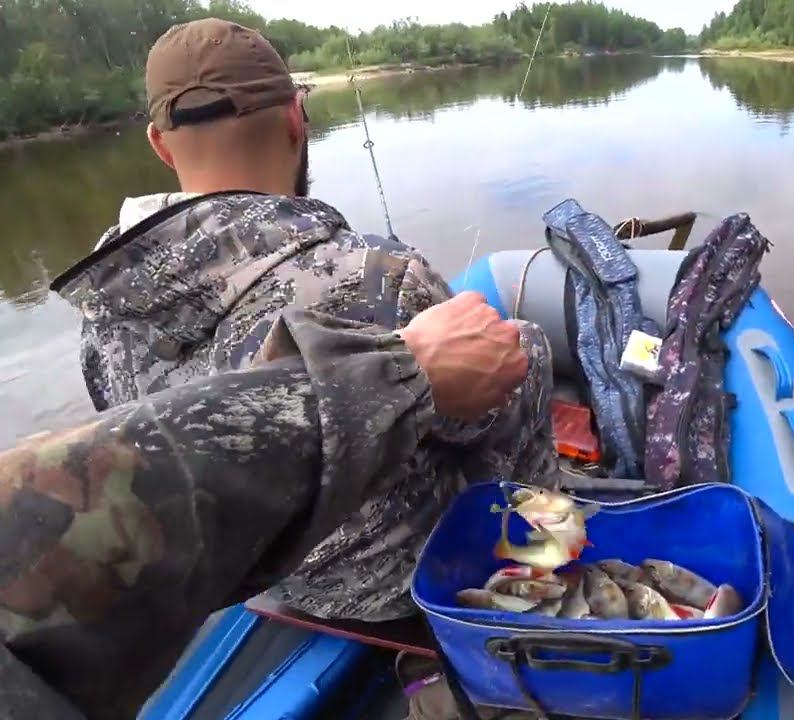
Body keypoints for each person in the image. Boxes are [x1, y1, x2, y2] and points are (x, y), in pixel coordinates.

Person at [50, 18, 558, 624]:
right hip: (405, 580)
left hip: (276, 584)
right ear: (296, 118)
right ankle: (550, 556)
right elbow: (482, 415)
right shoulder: (376, 273)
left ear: (160, 145)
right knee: (520, 344)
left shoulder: (103, 311)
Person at [0, 308, 516, 720]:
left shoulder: (102, 322)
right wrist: (398, 376)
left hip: (295, 593)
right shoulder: (374, 267)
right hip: (409, 598)